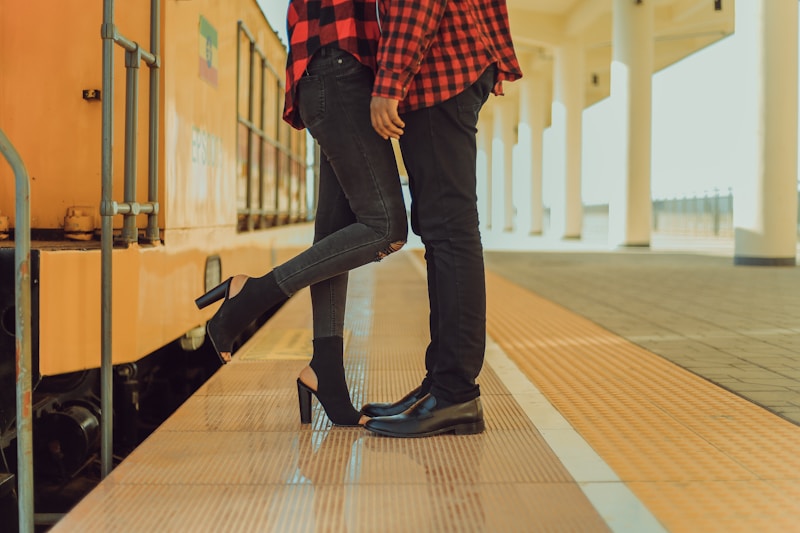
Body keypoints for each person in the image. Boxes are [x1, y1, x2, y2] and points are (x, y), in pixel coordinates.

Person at [196, 0, 407, 428]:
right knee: (386, 227)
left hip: (332, 70)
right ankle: (250, 296)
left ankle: (325, 372)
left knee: (335, 231)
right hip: (342, 68)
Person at [361, 0, 522, 437]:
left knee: (450, 232)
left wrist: (389, 81)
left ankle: (455, 395)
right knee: (442, 231)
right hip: (446, 66)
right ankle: (441, 385)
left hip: (440, 70)